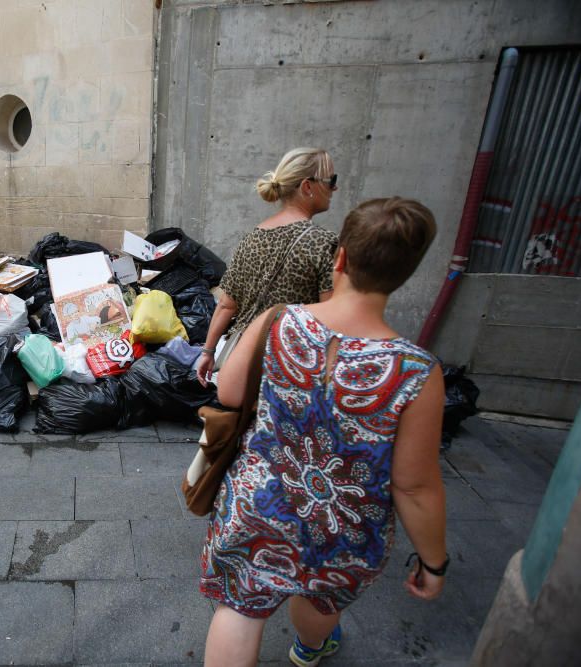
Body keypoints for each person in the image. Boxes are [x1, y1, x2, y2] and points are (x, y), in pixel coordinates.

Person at [200, 198, 447, 667]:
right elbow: (414, 484)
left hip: (260, 500)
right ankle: (310, 649)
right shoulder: (416, 371)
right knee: (321, 596)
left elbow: (229, 392)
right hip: (344, 523)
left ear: (340, 258)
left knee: (239, 607)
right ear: (405, 274)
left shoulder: (278, 319)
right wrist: (434, 561)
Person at [196, 147, 340, 388]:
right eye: (331, 180)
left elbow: (226, 304)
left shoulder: (253, 236)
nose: (335, 188)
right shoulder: (323, 243)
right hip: (291, 367)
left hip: (242, 362)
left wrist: (208, 352)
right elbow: (330, 316)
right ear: (307, 187)